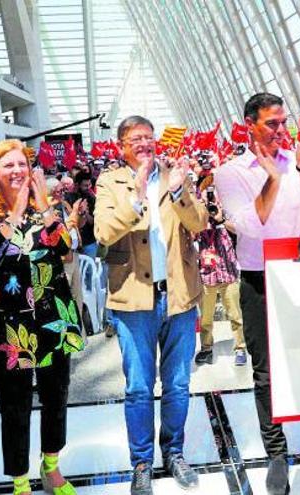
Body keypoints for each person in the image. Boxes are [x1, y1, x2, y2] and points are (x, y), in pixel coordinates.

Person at [213, 93, 300, 495]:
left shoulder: (299, 161)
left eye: (284, 122)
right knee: (266, 374)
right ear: (250, 125)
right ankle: (277, 453)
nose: (281, 130)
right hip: (259, 280)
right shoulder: (231, 173)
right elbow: (249, 223)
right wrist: (274, 179)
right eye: (272, 124)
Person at [93, 115, 207, 495]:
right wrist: (137, 195)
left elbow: (200, 223)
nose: (144, 144)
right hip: (132, 299)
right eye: (135, 139)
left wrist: (178, 192)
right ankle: (141, 461)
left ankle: (173, 452)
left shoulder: (175, 174)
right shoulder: (110, 183)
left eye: (148, 137)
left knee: (177, 383)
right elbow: (104, 233)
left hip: (178, 296)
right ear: (122, 146)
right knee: (139, 387)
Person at [0, 139, 82, 495]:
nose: (18, 171)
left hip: (53, 318)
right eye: (9, 166)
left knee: (56, 397)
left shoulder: (43, 208)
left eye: (22, 164)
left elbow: (65, 248)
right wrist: (17, 209)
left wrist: (45, 206)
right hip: (10, 329)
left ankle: (51, 466)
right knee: (15, 407)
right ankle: (20, 479)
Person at [194, 191, 246, 366]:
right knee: (206, 317)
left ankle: (240, 347)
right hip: (207, 273)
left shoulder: (228, 213)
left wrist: (221, 219)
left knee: (235, 314)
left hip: (227, 271)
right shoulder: (199, 214)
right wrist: (202, 215)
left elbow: (239, 231)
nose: (210, 202)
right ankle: (206, 348)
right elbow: (192, 233)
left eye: (213, 197)